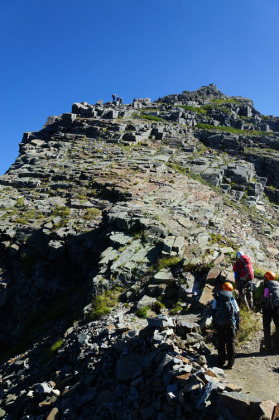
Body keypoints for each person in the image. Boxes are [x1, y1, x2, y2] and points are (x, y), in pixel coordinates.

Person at [212, 282, 240, 369]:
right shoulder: (232, 298)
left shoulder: (217, 298)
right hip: (231, 323)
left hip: (220, 323)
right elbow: (237, 312)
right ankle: (231, 363)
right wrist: (237, 324)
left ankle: (221, 362)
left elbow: (213, 311)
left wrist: (215, 323)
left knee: (221, 342)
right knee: (230, 343)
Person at [262, 271, 279, 352]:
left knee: (266, 327)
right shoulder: (278, 285)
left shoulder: (265, 286)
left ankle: (268, 347)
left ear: (267, 278)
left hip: (267, 308)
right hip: (277, 308)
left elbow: (260, 295)